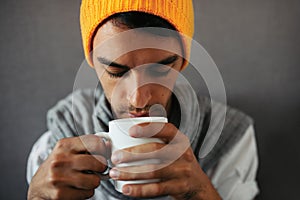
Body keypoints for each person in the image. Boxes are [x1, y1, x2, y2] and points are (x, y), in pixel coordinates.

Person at [26, 0, 259, 199]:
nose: (138, 99)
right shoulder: (55, 145)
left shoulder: (231, 141)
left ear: (182, 61)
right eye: (116, 71)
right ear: (92, 60)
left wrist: (200, 192)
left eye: (159, 70)